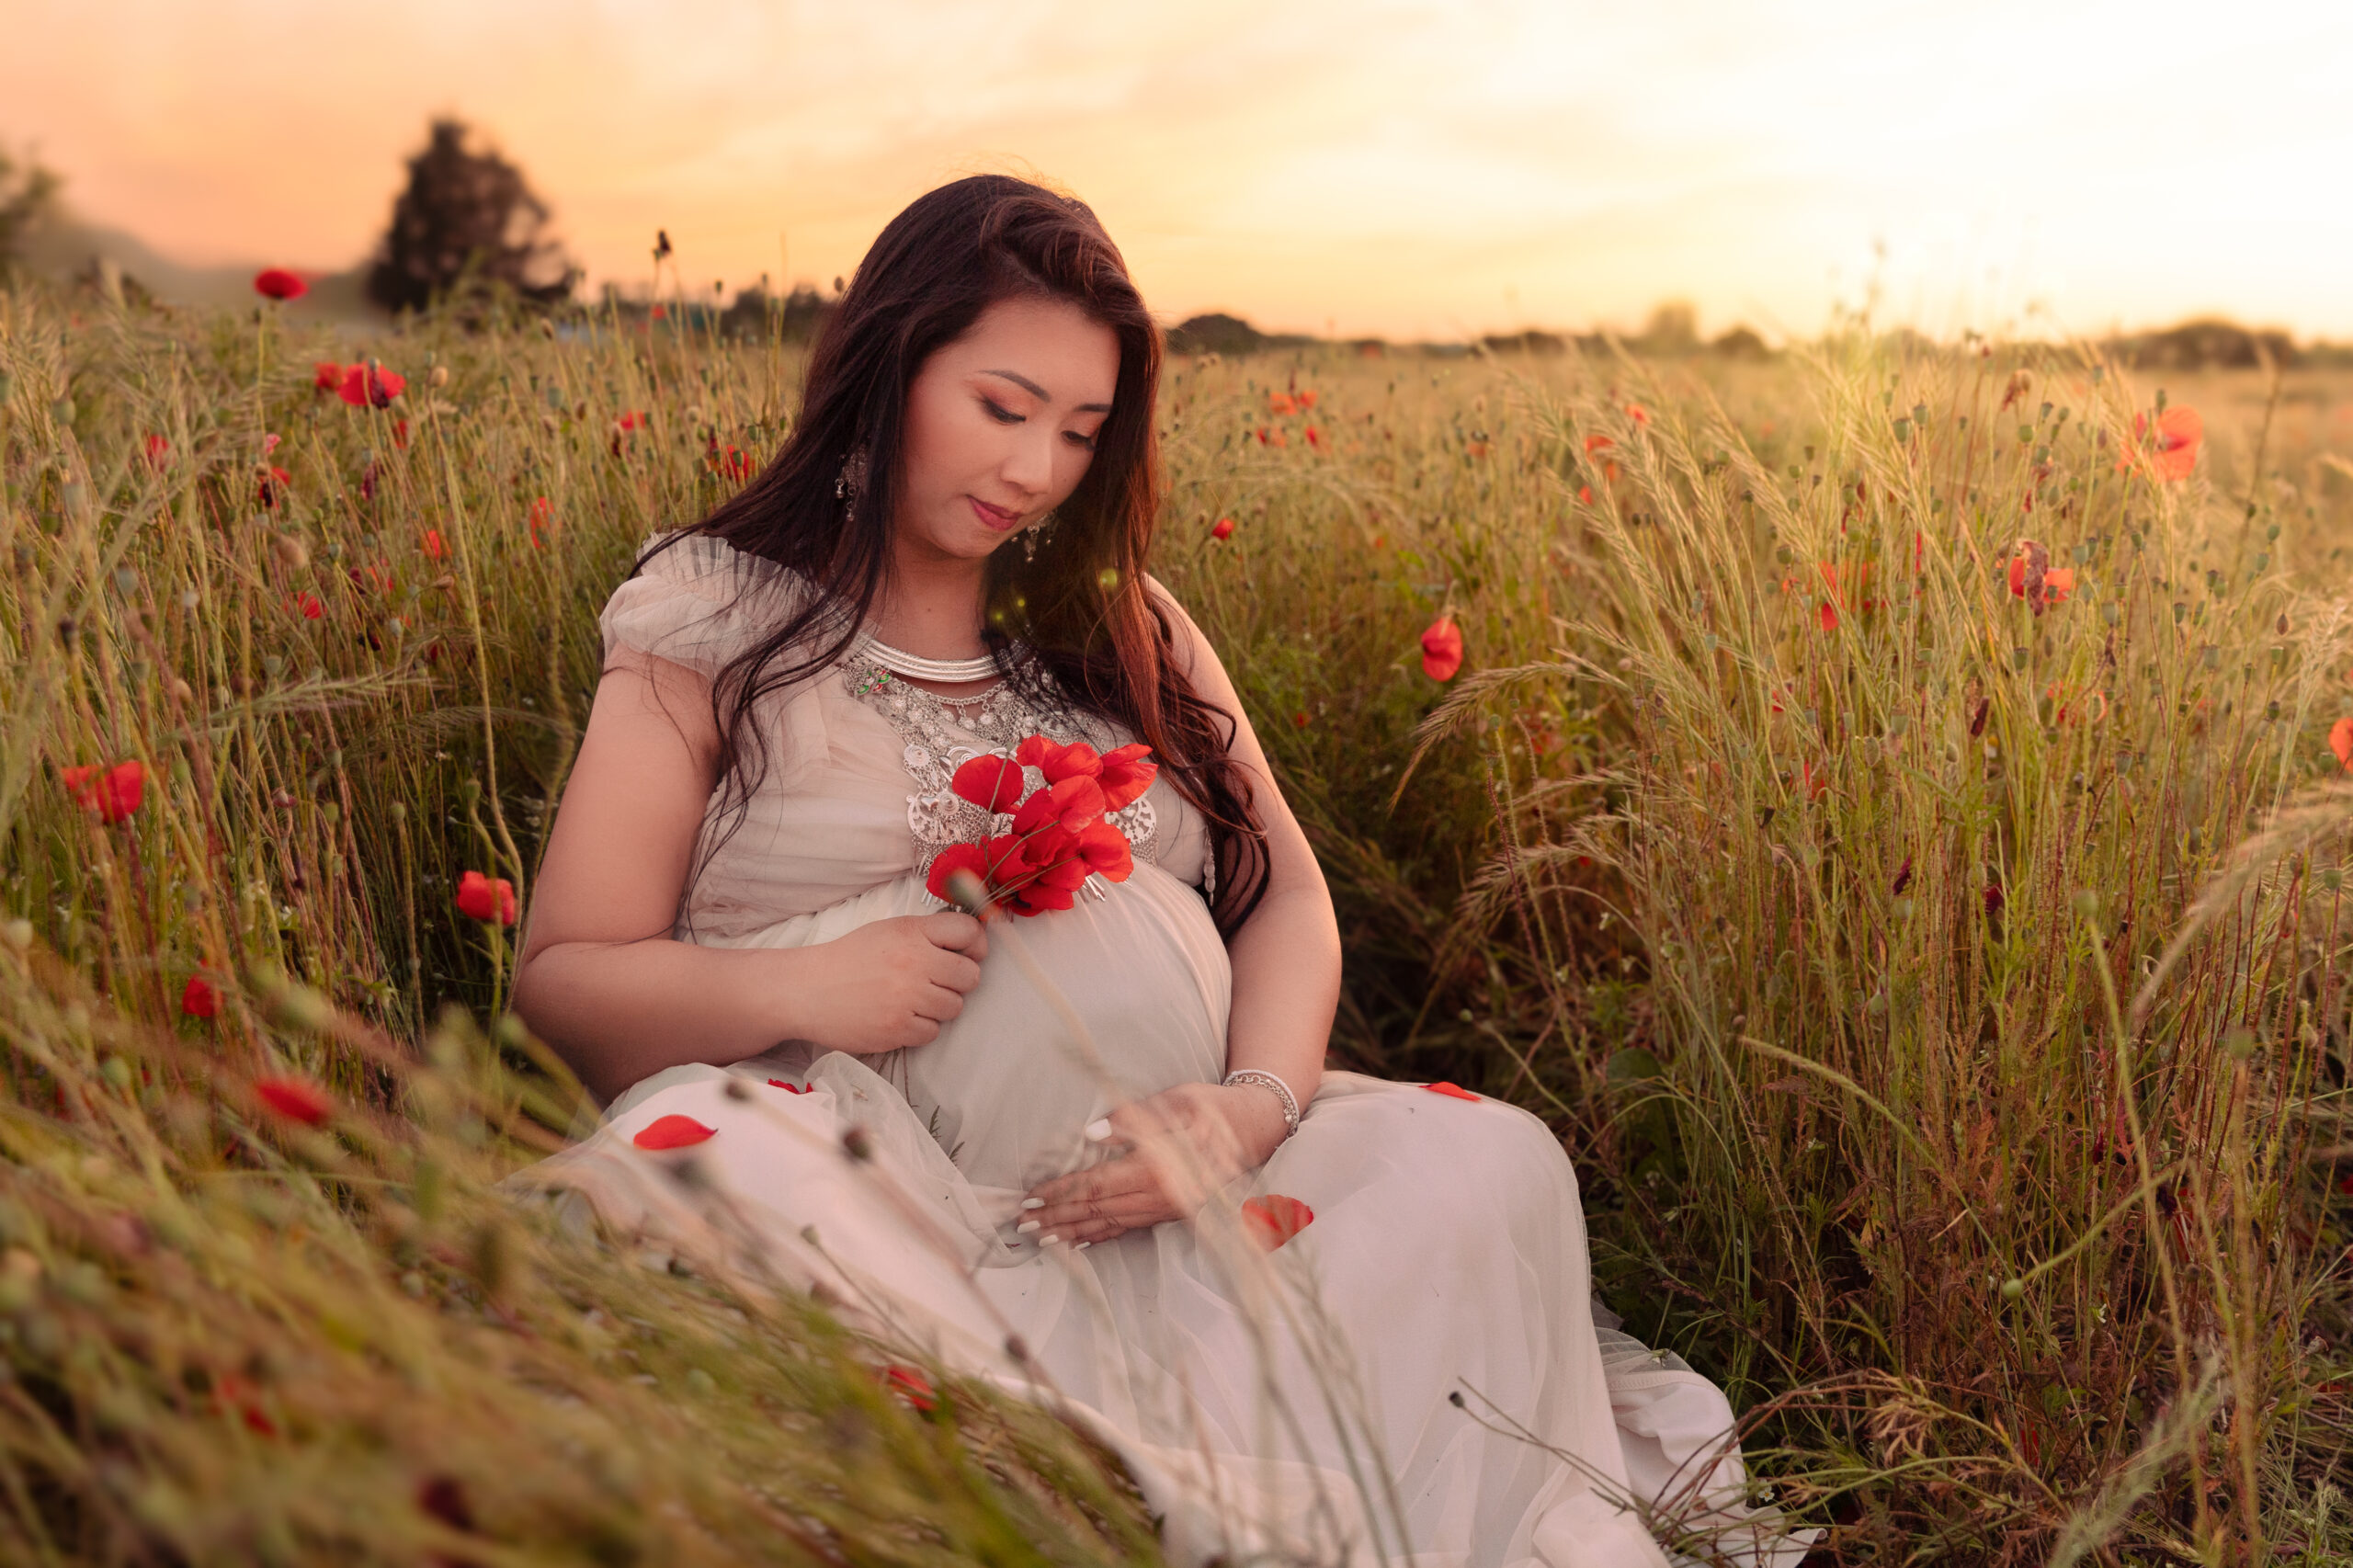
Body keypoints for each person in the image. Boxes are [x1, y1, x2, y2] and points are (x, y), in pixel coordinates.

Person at [510, 174, 1813, 1568]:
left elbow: (1289, 900)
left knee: (1493, 1167)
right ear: (891, 364)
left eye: (1080, 431)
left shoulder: (1129, 629)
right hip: (881, 1174)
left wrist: (1245, 1113)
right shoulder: (716, 616)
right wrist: (806, 984)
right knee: (727, 1208)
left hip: (1175, 1183)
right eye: (1003, 408)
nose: (1035, 471)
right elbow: (565, 981)